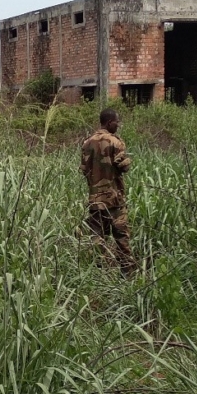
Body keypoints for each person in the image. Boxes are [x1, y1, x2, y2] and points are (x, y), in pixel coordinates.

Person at [80, 108, 136, 274]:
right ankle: (128, 274)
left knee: (97, 239)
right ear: (110, 122)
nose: (118, 125)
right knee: (122, 238)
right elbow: (123, 166)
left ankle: (98, 276)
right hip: (114, 200)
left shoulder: (87, 143)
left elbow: (84, 169)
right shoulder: (115, 142)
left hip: (95, 200)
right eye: (117, 122)